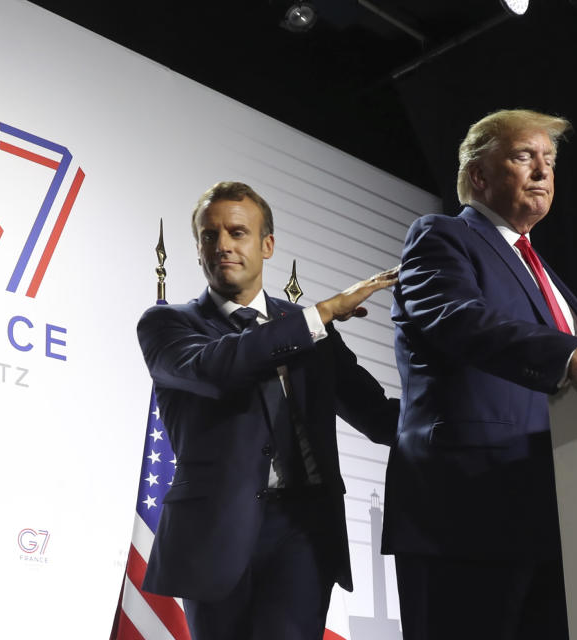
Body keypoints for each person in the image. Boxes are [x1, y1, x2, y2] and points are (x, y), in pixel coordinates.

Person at [382, 109, 577, 640]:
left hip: (555, 517)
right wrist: (574, 356)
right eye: (524, 156)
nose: (543, 171)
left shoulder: (543, 271)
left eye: (549, 160)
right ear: (479, 176)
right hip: (466, 515)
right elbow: (458, 319)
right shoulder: (440, 236)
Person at [136, 181, 400, 640]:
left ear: (267, 245)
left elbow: (379, 417)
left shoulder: (309, 328)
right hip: (214, 537)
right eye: (209, 236)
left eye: (237, 233)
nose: (223, 246)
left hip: (303, 529)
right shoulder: (167, 323)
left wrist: (474, 416)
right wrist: (319, 315)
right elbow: (218, 367)